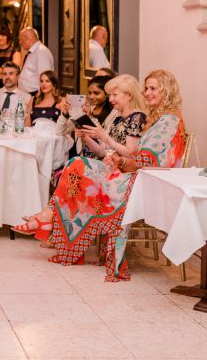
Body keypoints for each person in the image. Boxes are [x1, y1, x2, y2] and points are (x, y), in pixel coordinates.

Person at [13, 69, 187, 281]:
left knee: (76, 167)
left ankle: (47, 220)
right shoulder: (154, 118)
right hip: (129, 172)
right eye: (146, 88)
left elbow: (145, 160)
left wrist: (118, 159)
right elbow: (123, 154)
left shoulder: (166, 120)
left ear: (166, 91)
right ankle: (49, 218)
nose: (148, 93)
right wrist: (100, 146)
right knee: (74, 165)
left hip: (140, 182)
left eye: (153, 88)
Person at [56, 75, 116, 159]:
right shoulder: (84, 109)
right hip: (82, 157)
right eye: (90, 93)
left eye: (96, 93)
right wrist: (65, 114)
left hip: (102, 159)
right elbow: (59, 132)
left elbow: (105, 140)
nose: (91, 97)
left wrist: (90, 117)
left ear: (107, 94)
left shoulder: (113, 114)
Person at [18, 27, 54, 95]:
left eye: (20, 39)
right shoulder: (33, 52)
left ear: (27, 38)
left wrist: (40, 98)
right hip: (27, 95)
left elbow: (45, 78)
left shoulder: (41, 52)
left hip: (35, 95)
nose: (20, 42)